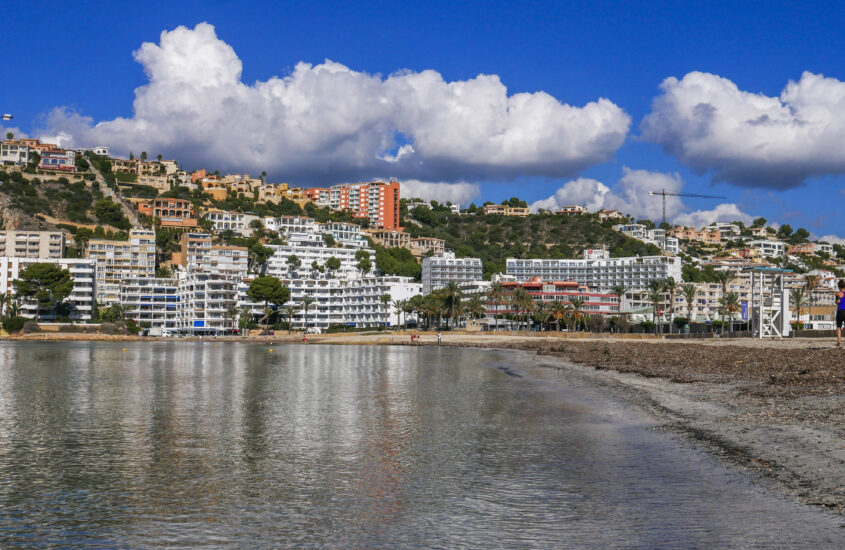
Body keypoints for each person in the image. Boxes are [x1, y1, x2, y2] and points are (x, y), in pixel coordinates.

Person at [837, 280, 845, 346]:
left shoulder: (838, 293)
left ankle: (839, 340)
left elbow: (838, 301)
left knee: (839, 326)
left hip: (840, 311)